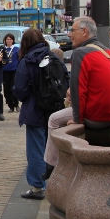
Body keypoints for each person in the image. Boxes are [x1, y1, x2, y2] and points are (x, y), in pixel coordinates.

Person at [42, 17, 110, 179]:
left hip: (98, 115)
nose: (69, 34)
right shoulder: (107, 52)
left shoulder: (80, 53)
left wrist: (77, 119)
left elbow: (78, 89)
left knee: (53, 120)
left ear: (84, 31)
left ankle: (51, 166)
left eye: (72, 30)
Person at [14, 30, 64, 199]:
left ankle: (38, 186)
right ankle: (56, 182)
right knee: (53, 147)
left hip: (34, 109)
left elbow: (20, 89)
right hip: (54, 110)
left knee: (36, 149)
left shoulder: (27, 60)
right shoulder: (53, 56)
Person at [1, 33, 20, 113]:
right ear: (5, 40)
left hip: (14, 71)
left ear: (13, 40)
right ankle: (10, 105)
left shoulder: (16, 49)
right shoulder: (2, 49)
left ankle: (16, 104)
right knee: (6, 89)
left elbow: (19, 59)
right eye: (7, 39)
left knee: (13, 88)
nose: (9, 41)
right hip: (5, 71)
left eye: (10, 39)